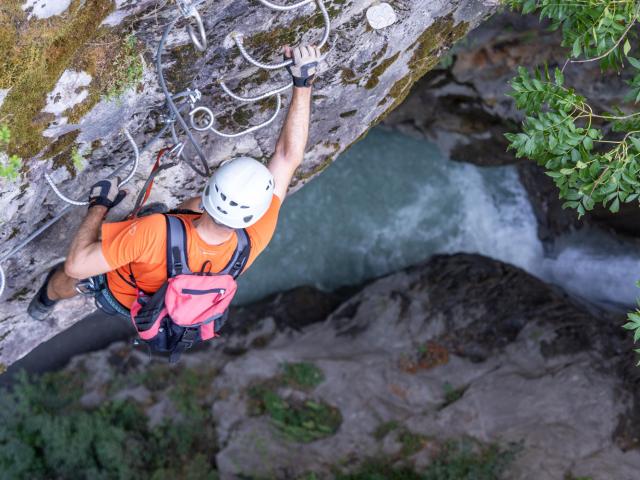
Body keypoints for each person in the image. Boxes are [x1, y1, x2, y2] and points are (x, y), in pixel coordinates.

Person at [28, 44, 322, 321]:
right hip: (158, 302)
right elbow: (288, 157)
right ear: (254, 213)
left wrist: (99, 206)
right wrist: (303, 85)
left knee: (72, 278)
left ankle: (46, 299)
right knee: (182, 215)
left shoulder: (154, 233)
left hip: (121, 292)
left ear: (211, 190)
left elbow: (77, 264)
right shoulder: (255, 235)